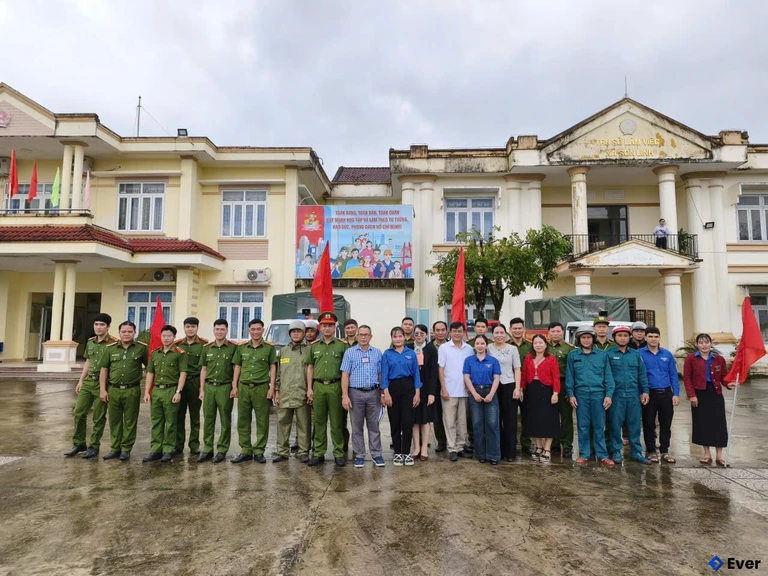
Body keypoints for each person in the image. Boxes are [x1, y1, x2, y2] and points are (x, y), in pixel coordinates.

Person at [66, 313, 117, 459]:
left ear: (108, 327)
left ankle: (94, 446)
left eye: (102, 325)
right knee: (79, 412)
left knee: (98, 416)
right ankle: (79, 443)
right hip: (89, 382)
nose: (98, 327)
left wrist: (106, 388)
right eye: (96, 324)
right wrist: (81, 380)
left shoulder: (114, 344)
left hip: (103, 384)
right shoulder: (91, 342)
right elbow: (88, 361)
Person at [99, 321, 149, 462]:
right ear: (119, 332)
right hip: (113, 390)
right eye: (124, 331)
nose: (126, 334)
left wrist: (148, 389)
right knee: (114, 420)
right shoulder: (110, 349)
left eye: (130, 332)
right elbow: (104, 370)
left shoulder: (141, 348)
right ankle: (115, 448)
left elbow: (150, 368)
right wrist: (102, 390)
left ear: (134, 332)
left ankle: (126, 449)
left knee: (130, 420)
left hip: (132, 390)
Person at [566, 327, 615, 468]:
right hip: (581, 395)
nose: (586, 340)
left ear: (593, 339)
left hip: (599, 394)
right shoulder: (573, 355)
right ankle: (584, 454)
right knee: (583, 426)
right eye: (583, 337)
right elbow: (570, 377)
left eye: (588, 337)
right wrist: (571, 395)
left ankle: (602, 455)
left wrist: (609, 395)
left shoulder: (602, 355)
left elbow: (608, 377)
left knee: (599, 425)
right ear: (579, 339)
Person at [231, 318, 277, 464]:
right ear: (249, 330)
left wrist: (272, 387)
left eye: (258, 329)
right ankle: (245, 450)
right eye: (253, 329)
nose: (256, 332)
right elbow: (237, 366)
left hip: (261, 388)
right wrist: (234, 385)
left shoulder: (269, 348)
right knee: (243, 420)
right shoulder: (242, 347)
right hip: (244, 387)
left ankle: (259, 451)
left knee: (262, 420)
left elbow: (273, 367)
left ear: (263, 330)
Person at [307, 311, 349, 467]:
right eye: (324, 325)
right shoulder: (314, 346)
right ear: (320, 327)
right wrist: (309, 388)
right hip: (318, 386)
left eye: (330, 325)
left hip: (335, 386)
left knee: (337, 422)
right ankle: (319, 452)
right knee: (319, 421)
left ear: (334, 327)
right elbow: (310, 367)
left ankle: (338, 452)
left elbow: (346, 371)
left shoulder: (342, 345)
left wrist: (345, 392)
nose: (327, 328)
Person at [606, 326, 652, 465]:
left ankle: (636, 451)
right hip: (616, 395)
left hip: (633, 395)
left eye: (625, 335)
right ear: (614, 338)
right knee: (615, 425)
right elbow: (605, 376)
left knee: (635, 425)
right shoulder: (608, 354)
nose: (622, 338)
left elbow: (642, 374)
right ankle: (615, 451)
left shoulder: (635, 354)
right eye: (619, 335)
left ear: (629, 337)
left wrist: (645, 391)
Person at [684, 333, 732, 466]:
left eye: (706, 342)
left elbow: (723, 376)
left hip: (715, 393)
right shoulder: (691, 358)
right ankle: (706, 453)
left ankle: (719, 454)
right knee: (702, 423)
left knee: (718, 424)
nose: (704, 345)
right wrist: (691, 395)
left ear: (711, 343)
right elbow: (687, 378)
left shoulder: (718, 359)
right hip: (699, 394)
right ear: (697, 344)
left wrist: (729, 384)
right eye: (701, 342)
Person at [341, 325, 385, 468]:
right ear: (357, 336)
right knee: (357, 426)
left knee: (374, 426)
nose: (363, 337)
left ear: (371, 337)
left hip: (373, 393)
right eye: (361, 334)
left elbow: (380, 374)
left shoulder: (377, 353)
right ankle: (359, 455)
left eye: (366, 334)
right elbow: (345, 375)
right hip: (355, 393)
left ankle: (376, 454)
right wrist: (345, 396)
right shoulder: (349, 352)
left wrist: (382, 393)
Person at [143, 325, 188, 463]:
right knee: (156, 421)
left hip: (171, 390)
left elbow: (183, 373)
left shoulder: (179, 353)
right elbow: (150, 373)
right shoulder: (155, 353)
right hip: (157, 391)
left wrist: (178, 392)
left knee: (170, 422)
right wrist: (147, 392)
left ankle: (168, 449)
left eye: (169, 336)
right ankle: (156, 450)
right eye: (164, 335)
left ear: (174, 337)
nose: (166, 338)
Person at [198, 319, 237, 463]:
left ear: (227, 330)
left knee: (225, 420)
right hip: (209, 387)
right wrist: (202, 389)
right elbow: (204, 369)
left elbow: (236, 368)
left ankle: (222, 450)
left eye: (222, 329)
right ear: (213, 330)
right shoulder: (207, 348)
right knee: (208, 419)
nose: (219, 332)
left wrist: (234, 386)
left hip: (225, 387)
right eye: (217, 329)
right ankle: (207, 449)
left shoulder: (233, 348)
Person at [638, 327, 679, 464]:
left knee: (666, 423)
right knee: (648, 423)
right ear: (645, 338)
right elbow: (638, 375)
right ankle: (651, 450)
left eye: (656, 336)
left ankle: (664, 450)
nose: (653, 339)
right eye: (650, 336)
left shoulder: (667, 354)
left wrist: (676, 393)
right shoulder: (639, 354)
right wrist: (641, 392)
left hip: (666, 393)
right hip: (649, 394)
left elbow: (673, 375)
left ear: (659, 338)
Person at [382, 327, 421, 466]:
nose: (398, 339)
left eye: (400, 336)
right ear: (392, 339)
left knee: (407, 422)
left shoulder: (411, 353)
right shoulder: (387, 354)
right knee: (395, 422)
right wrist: (386, 393)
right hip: (393, 388)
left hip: (408, 387)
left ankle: (406, 452)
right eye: (395, 336)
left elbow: (416, 374)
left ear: (404, 337)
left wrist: (417, 393)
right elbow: (384, 374)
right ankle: (398, 453)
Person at [274, 320, 312, 463]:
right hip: (285, 393)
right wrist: (277, 391)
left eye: (299, 331)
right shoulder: (283, 351)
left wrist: (310, 390)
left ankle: (303, 451)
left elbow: (311, 371)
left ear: (304, 334)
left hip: (302, 393)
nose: (296, 334)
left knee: (304, 424)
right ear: (290, 334)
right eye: (293, 331)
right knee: (282, 423)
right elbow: (278, 373)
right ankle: (282, 451)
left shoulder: (309, 350)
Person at [521, 334, 561, 463]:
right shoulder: (528, 358)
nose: (538, 345)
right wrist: (521, 389)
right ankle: (538, 447)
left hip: (547, 391)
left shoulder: (551, 359)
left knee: (548, 420)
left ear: (545, 344)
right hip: (532, 390)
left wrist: (555, 393)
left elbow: (556, 377)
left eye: (540, 342)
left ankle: (547, 449)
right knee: (534, 420)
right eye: (535, 343)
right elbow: (523, 375)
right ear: (532, 345)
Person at [438, 321, 474, 462]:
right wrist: (444, 389)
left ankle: (460, 446)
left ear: (463, 332)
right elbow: (441, 369)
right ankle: (452, 448)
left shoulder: (469, 349)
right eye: (454, 331)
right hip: (449, 390)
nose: (457, 334)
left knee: (462, 421)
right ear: (450, 333)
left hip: (464, 391)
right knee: (449, 421)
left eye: (460, 331)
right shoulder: (444, 348)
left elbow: (470, 369)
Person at [463, 336, 502, 465]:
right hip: (475, 392)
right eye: (477, 343)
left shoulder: (493, 361)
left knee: (492, 424)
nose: (480, 346)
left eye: (482, 343)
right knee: (477, 424)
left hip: (490, 391)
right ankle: (481, 454)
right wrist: (474, 394)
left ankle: (493, 455)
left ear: (486, 345)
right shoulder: (469, 360)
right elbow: (467, 378)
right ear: (474, 345)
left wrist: (491, 394)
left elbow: (496, 378)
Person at [487, 324, 522, 462]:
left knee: (510, 420)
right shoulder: (488, 348)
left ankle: (510, 452)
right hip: (492, 387)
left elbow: (517, 369)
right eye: (496, 332)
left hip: (509, 385)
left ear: (506, 334)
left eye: (502, 332)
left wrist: (517, 388)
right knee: (494, 420)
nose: (499, 335)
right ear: (492, 335)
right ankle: (497, 450)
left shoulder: (512, 349)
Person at [174, 317, 207, 455]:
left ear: (197, 328)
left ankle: (194, 445)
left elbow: (205, 367)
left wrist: (202, 387)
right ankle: (178, 445)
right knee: (179, 415)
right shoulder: (177, 345)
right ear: (184, 328)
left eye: (193, 326)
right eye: (188, 326)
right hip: (180, 383)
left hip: (195, 382)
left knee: (195, 416)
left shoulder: (204, 345)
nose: (190, 329)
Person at [411, 324, 438, 461]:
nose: (419, 336)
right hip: (412, 389)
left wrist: (432, 393)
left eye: (422, 333)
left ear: (426, 335)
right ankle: (416, 447)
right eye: (416, 333)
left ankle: (424, 448)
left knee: (426, 419)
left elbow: (434, 373)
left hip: (427, 388)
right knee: (414, 419)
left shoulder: (431, 349)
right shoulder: (409, 348)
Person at [548, 322, 575, 458]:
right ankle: (554, 444)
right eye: (553, 331)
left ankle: (567, 445)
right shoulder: (544, 346)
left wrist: (570, 390)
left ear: (563, 332)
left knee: (566, 417)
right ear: (549, 332)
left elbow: (572, 370)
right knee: (551, 416)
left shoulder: (569, 348)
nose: (556, 334)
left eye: (558, 331)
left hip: (564, 384)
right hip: (548, 386)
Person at [508, 317, 533, 455]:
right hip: (509, 385)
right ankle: (511, 443)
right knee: (510, 417)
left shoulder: (531, 346)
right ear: (510, 330)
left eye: (520, 328)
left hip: (528, 386)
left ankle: (526, 444)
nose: (517, 331)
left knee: (527, 416)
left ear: (524, 329)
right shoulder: (505, 345)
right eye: (515, 328)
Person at [431, 320, 449, 452]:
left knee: (451, 415)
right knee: (437, 415)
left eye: (443, 330)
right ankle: (441, 441)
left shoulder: (452, 345)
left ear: (447, 331)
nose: (440, 332)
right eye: (437, 330)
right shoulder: (428, 348)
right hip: (434, 385)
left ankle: (453, 440)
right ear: (433, 332)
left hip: (450, 384)